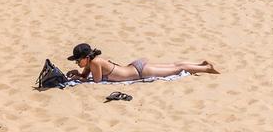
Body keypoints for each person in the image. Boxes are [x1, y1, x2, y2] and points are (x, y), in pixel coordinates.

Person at [65, 43, 218, 82]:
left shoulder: (96, 63)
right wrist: (78, 73)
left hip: (140, 72)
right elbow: (86, 75)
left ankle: (207, 68)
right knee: (174, 65)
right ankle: (200, 64)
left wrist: (79, 78)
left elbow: (96, 80)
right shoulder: (93, 62)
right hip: (136, 67)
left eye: (78, 60)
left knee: (176, 69)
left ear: (86, 58)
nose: (77, 63)